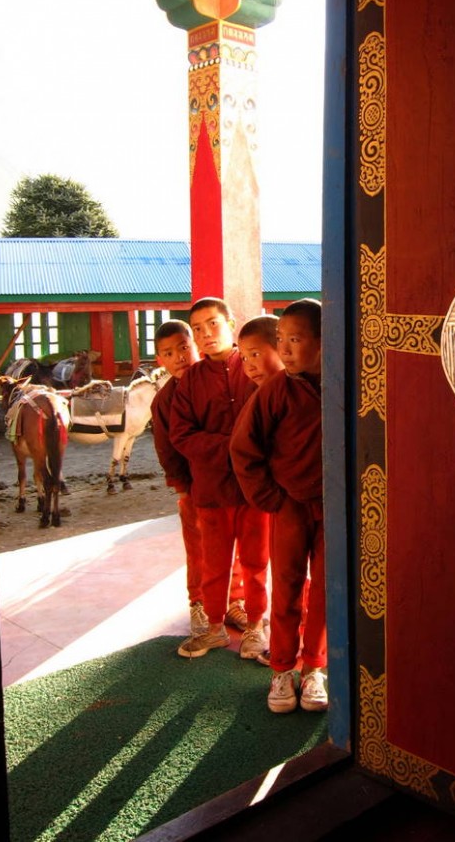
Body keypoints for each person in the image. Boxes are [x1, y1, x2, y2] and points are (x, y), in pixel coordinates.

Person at [230, 298, 327, 714]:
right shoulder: (275, 392)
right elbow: (243, 448)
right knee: (286, 585)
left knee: (325, 589)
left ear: (324, 342)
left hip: (334, 508)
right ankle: (283, 668)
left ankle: (315, 668)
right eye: (281, 340)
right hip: (288, 506)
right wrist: (270, 498)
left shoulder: (346, 385)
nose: (284, 349)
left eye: (296, 339)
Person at [168, 297, 270, 662]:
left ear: (230, 323)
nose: (205, 334)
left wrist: (245, 451)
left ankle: (256, 626)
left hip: (255, 489)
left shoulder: (253, 368)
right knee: (214, 564)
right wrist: (232, 447)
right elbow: (181, 433)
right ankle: (214, 628)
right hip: (210, 490)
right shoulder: (191, 381)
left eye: (212, 324)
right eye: (197, 329)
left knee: (256, 563)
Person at [150, 319, 246, 640]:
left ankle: (235, 600)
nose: (179, 357)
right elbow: (168, 450)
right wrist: (183, 487)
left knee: (235, 545)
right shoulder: (163, 400)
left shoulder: (217, 380)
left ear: (196, 346)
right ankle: (199, 601)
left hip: (228, 481)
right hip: (194, 487)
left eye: (183, 347)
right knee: (199, 546)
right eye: (168, 353)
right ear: (159, 359)